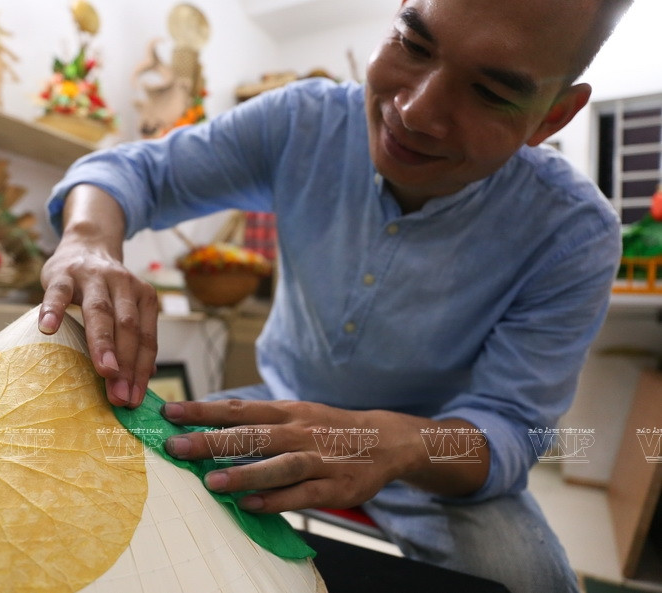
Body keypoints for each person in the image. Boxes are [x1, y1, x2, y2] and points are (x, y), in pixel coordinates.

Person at [38, 1, 633, 591]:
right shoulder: (304, 122)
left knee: (529, 582)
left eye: (491, 93)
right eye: (415, 46)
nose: (415, 111)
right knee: (107, 481)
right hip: (279, 406)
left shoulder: (573, 232)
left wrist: (388, 443)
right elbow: (133, 173)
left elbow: (511, 429)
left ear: (551, 118)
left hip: (435, 461)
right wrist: (88, 240)